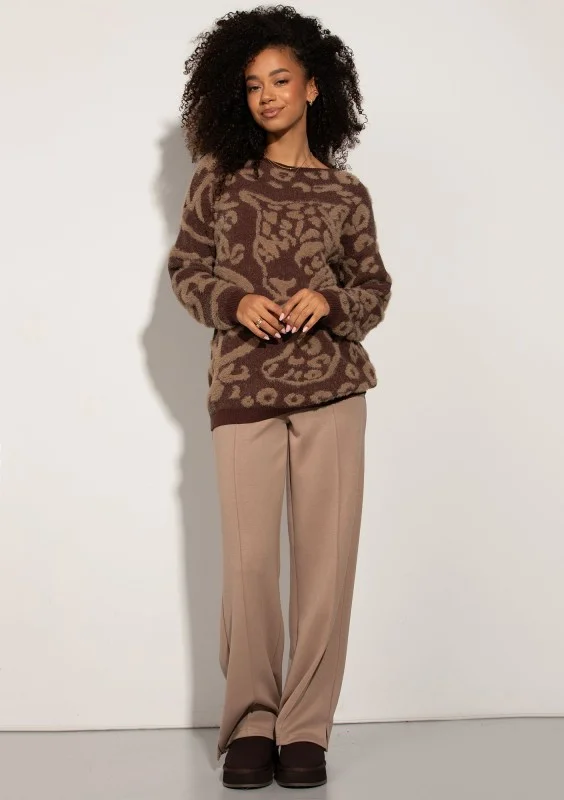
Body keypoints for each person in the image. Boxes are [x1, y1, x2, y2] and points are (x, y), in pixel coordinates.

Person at [167, 5, 392, 790]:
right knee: (250, 568)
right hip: (242, 389)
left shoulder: (345, 192)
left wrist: (331, 301)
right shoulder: (218, 178)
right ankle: (252, 723)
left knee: (326, 569)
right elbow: (187, 270)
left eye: (280, 80)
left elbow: (374, 288)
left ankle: (304, 729)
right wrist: (234, 302)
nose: (266, 96)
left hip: (334, 392)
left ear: (313, 88)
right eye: (253, 85)